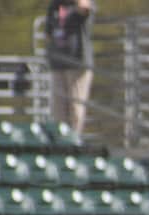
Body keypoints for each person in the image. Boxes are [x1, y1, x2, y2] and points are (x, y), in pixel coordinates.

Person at [45, 0, 94, 135]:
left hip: (77, 64)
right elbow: (49, 32)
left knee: (75, 110)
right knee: (58, 111)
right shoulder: (55, 5)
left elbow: (84, 8)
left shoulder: (78, 4)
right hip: (58, 63)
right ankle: (61, 145)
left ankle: (73, 142)